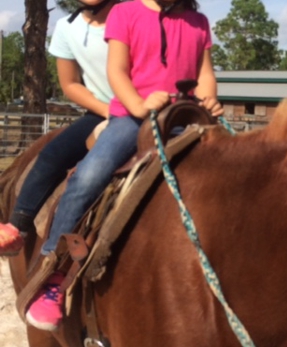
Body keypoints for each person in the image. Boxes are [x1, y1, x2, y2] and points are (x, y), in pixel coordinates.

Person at [22, 0, 223, 332]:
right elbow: (117, 70)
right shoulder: (124, 12)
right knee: (88, 176)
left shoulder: (198, 21)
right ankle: (52, 269)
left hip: (186, 117)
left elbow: (204, 74)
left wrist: (209, 99)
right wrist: (140, 105)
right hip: (131, 118)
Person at [0, 0, 118, 256]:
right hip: (101, 112)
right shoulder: (67, 28)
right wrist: (107, 109)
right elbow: (70, 85)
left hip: (148, 107)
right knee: (52, 155)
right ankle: (19, 223)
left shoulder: (135, 19)